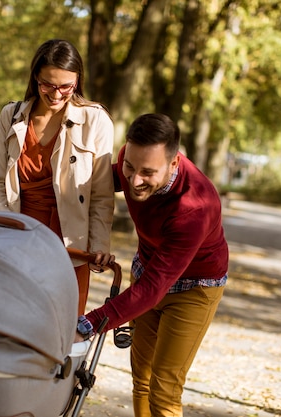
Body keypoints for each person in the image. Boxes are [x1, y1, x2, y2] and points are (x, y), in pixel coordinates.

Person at [84, 113, 229, 417]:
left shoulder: (194, 207)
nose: (134, 180)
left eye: (147, 172)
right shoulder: (131, 158)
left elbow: (154, 288)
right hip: (148, 270)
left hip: (194, 288)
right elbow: (108, 178)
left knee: (163, 388)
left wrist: (90, 323)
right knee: (142, 377)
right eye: (130, 167)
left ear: (174, 163)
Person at [0, 39, 115, 315]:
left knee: (63, 326)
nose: (56, 94)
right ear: (36, 78)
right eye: (48, 85)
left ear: (77, 81)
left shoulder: (95, 120)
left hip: (71, 244)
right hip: (20, 238)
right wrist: (4, 227)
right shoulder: (12, 116)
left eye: (66, 87)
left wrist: (99, 245)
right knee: (14, 319)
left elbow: (102, 195)